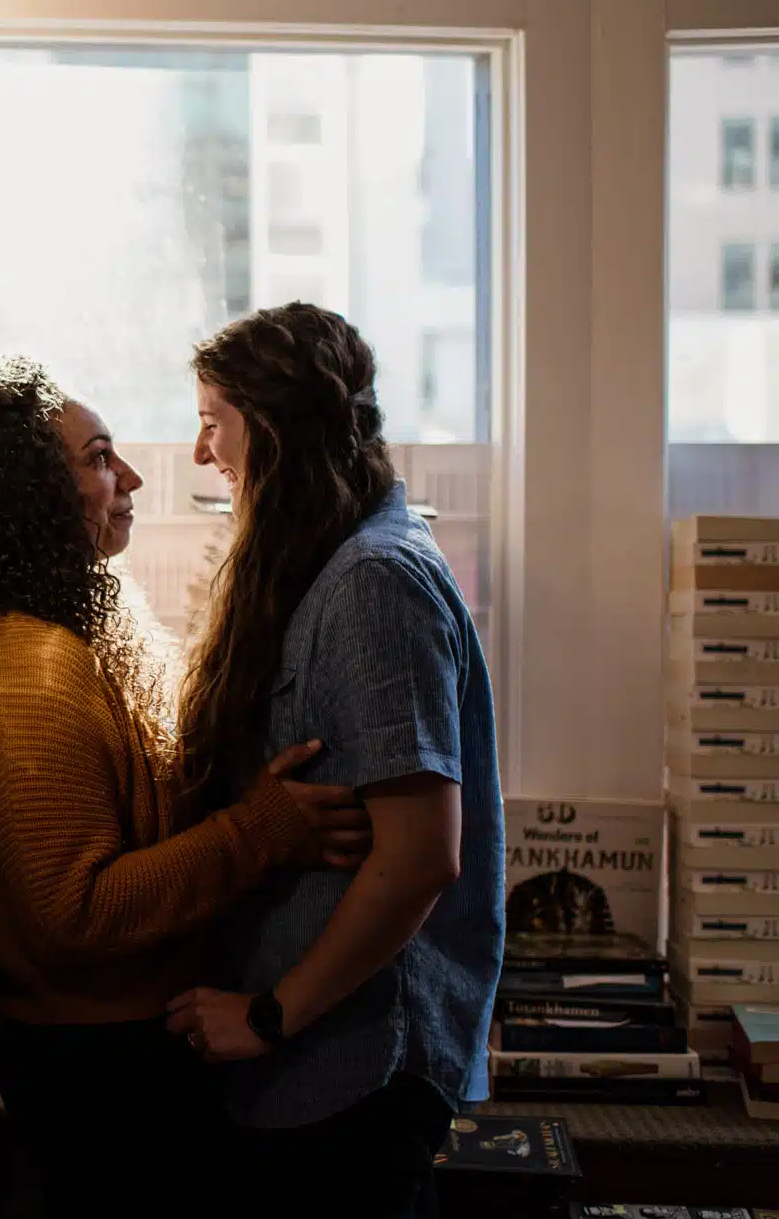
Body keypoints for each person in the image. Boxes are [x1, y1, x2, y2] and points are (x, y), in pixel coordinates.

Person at [0, 356, 371, 1218]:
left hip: (131, 1047)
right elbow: (76, 911)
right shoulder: (30, 667)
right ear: (31, 497)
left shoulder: (82, 613)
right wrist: (262, 830)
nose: (127, 478)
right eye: (98, 459)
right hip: (101, 1069)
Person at [164, 305, 504, 1219]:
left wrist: (268, 1012)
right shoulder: (331, 568)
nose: (203, 452)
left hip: (352, 1077)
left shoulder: (372, 582)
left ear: (269, 428)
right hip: (316, 1079)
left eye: (211, 420)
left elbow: (422, 853)